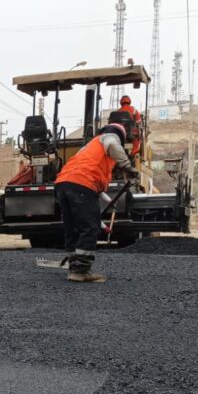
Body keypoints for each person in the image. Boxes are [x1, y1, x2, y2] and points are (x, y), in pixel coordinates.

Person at [54, 120, 139, 283]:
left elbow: (91, 182)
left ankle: (74, 266)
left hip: (63, 184)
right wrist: (127, 166)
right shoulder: (109, 137)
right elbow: (113, 146)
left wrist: (109, 201)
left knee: (73, 228)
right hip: (82, 185)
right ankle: (81, 270)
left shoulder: (89, 147)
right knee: (90, 227)